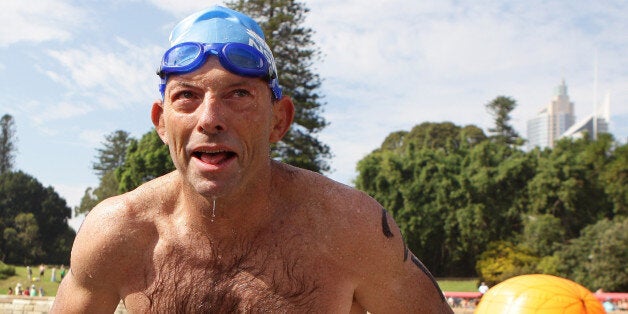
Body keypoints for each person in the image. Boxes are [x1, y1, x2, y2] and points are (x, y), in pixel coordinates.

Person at [51, 5, 452, 313]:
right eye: (186, 96)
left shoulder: (351, 230)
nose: (209, 119)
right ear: (161, 122)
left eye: (238, 95)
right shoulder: (118, 234)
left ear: (279, 120)